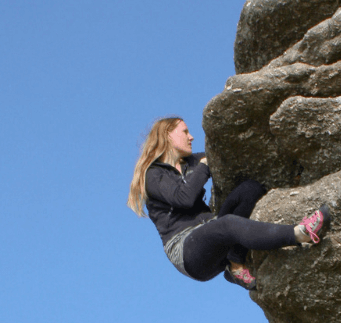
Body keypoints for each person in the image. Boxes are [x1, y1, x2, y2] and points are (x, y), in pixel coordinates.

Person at [127, 116, 330, 290]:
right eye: (185, 132)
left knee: (250, 189)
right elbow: (184, 199)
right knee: (226, 224)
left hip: (212, 230)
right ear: (168, 135)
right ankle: (299, 234)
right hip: (188, 252)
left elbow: (224, 156)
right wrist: (205, 167)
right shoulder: (153, 175)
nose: (191, 137)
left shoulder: (193, 162)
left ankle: (235, 264)